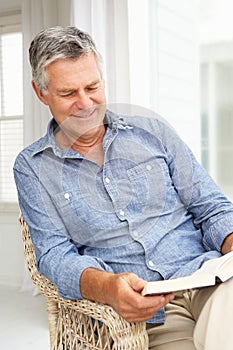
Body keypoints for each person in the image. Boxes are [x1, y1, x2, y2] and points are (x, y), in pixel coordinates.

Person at [13, 26, 233, 350]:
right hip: (149, 313)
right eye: (68, 93)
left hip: (211, 279)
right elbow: (54, 256)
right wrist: (108, 287)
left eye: (93, 86)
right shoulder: (32, 168)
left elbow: (210, 205)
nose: (86, 103)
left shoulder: (153, 131)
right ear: (41, 92)